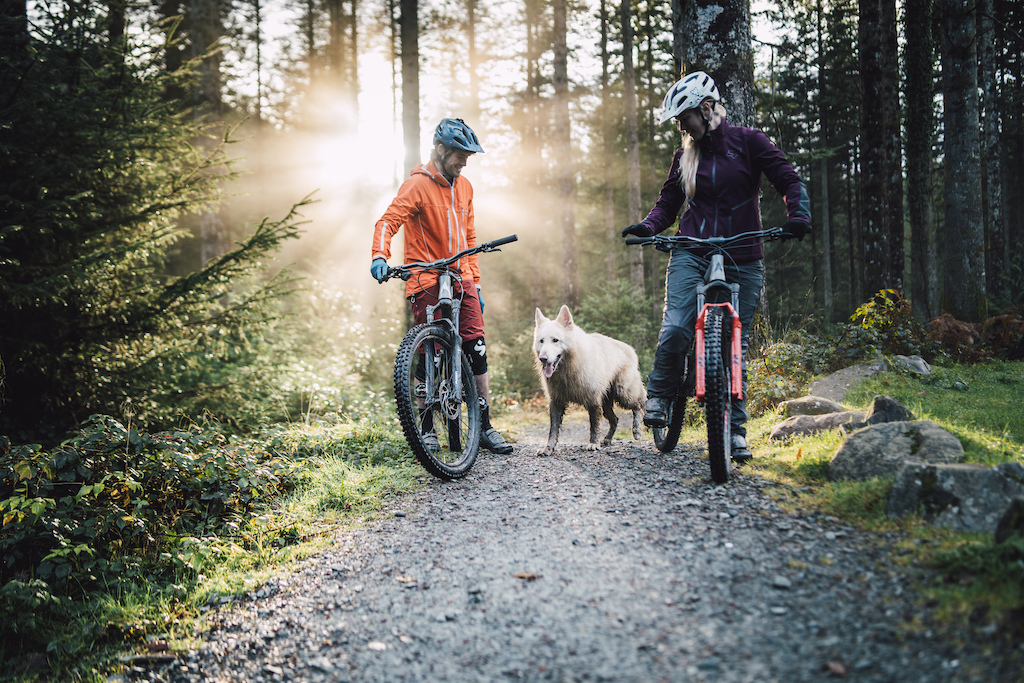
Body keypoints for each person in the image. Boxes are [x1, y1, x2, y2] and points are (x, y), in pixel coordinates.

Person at [622, 71, 810, 463]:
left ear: (707, 109)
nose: (682, 126)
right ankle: (659, 394)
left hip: (742, 252)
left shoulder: (749, 142)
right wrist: (648, 227)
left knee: (733, 343)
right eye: (678, 120)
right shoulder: (684, 155)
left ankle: (736, 431)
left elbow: (788, 180)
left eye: (685, 117)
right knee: (676, 325)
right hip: (692, 248)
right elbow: (668, 204)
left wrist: (799, 215)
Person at [370, 117, 513, 455]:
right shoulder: (416, 186)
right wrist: (380, 254)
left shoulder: (465, 187)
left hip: (461, 277)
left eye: (467, 156)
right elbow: (387, 222)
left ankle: (486, 426)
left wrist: (474, 281)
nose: (464, 162)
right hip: (426, 277)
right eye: (459, 155)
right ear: (440, 149)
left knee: (476, 349)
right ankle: (426, 427)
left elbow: (471, 237)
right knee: (428, 355)